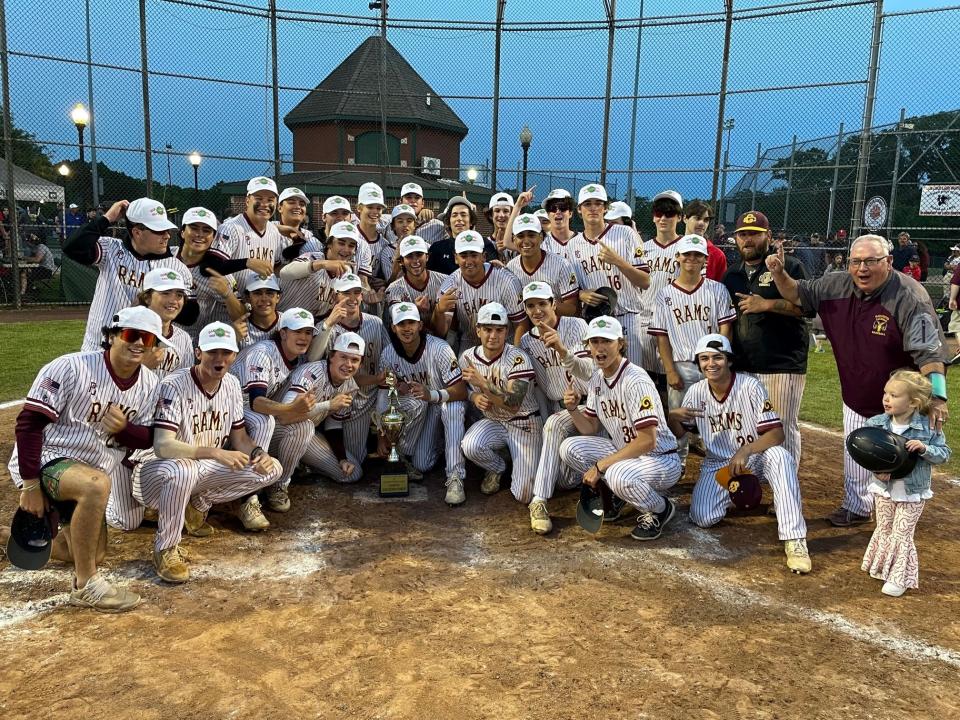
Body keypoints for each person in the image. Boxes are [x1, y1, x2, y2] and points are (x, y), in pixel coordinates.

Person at [765, 234, 949, 527]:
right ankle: (857, 507)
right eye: (856, 261)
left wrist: (938, 397)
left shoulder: (909, 296)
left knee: (901, 460)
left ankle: (900, 515)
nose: (862, 268)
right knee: (858, 452)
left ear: (888, 262)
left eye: (871, 261)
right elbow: (796, 293)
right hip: (856, 390)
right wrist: (778, 272)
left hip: (901, 401)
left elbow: (929, 352)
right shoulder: (835, 285)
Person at [8, 306, 165, 611]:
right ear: (112, 336)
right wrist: (30, 486)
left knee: (89, 552)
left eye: (147, 338)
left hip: (91, 470)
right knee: (96, 485)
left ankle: (9, 538)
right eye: (132, 335)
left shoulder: (149, 384)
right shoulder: (70, 368)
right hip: (47, 460)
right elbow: (29, 424)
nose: (139, 343)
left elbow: (149, 437)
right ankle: (86, 586)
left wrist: (124, 430)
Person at [135, 322, 283, 583]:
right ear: (198, 353)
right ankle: (166, 548)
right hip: (155, 473)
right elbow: (163, 446)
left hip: (198, 469)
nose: (220, 359)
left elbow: (239, 437)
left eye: (226, 352)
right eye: (212, 352)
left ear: (234, 356)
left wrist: (259, 452)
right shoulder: (174, 384)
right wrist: (215, 453)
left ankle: (198, 504)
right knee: (183, 469)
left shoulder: (232, 384)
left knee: (272, 469)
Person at [667, 333, 811, 573]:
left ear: (729, 360)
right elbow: (680, 433)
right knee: (703, 517)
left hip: (754, 459)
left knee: (780, 457)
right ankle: (741, 490)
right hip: (718, 465)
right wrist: (672, 417)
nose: (711, 364)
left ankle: (795, 539)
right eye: (704, 359)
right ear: (698, 363)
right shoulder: (695, 392)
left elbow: (776, 434)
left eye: (717, 357)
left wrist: (746, 450)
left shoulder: (750, 386)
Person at [559, 316, 682, 541]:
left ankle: (660, 509)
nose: (600, 348)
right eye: (594, 342)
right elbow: (590, 428)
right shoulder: (597, 379)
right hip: (628, 456)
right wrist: (572, 409)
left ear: (621, 344)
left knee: (616, 474)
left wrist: (601, 466)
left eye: (606, 341)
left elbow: (648, 441)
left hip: (660, 459)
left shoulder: (635, 380)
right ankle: (615, 500)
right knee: (570, 447)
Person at [722, 210, 811, 464]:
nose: (747, 240)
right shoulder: (732, 275)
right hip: (742, 364)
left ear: (768, 236)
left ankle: (787, 488)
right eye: (742, 235)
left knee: (781, 427)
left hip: (781, 363)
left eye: (754, 234)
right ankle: (754, 483)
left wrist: (767, 304)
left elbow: (806, 309)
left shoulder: (790, 266)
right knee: (748, 427)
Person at [859, 370, 950, 597]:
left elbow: (944, 454)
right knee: (885, 529)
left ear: (913, 402)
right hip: (883, 490)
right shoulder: (876, 424)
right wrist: (876, 470)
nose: (886, 399)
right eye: (885, 393)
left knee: (902, 534)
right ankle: (882, 566)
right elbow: (866, 455)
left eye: (894, 395)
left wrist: (925, 448)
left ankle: (899, 578)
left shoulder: (928, 428)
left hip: (912, 492)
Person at [64, 198, 196, 352]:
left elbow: (189, 317)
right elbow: (71, 247)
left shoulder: (176, 268)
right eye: (159, 231)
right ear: (137, 232)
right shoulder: (111, 249)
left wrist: (155, 305)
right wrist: (106, 219)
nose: (166, 236)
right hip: (99, 348)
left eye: (167, 230)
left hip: (144, 352)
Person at [649, 234, 736, 465]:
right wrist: (670, 370)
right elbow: (662, 336)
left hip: (712, 365)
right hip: (682, 364)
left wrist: (722, 361)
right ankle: (678, 462)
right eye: (687, 254)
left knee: (717, 415)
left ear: (705, 260)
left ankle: (719, 460)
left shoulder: (717, 290)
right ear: (677, 257)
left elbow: (725, 326)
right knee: (680, 418)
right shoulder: (664, 294)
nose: (691, 258)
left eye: (697, 255)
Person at [229, 307, 318, 520]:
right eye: (298, 331)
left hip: (249, 410)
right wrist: (291, 408)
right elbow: (257, 402)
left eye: (308, 332)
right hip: (229, 407)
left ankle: (278, 485)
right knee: (263, 421)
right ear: (284, 332)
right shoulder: (263, 352)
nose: (304, 337)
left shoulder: (298, 358)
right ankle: (248, 499)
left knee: (304, 426)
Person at [518, 281, 592, 534]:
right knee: (563, 479)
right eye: (531, 306)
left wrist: (562, 349)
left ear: (553, 304)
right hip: (556, 406)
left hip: (587, 406)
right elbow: (539, 386)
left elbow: (588, 373)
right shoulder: (527, 342)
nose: (537, 310)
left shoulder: (577, 326)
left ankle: (538, 501)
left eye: (542, 304)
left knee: (554, 425)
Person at [376, 302, 469, 505]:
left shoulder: (440, 348)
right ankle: (410, 451)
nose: (407, 328)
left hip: (444, 402)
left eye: (411, 322)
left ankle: (455, 476)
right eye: (401, 324)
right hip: (421, 408)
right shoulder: (388, 354)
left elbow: (461, 391)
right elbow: (384, 396)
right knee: (422, 464)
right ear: (393, 328)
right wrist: (382, 434)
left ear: (420, 325)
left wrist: (432, 395)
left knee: (451, 408)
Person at [459, 302, 543, 505]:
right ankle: (498, 467)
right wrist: (474, 397)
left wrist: (483, 384)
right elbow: (463, 389)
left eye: (499, 330)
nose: (493, 335)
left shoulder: (518, 358)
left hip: (524, 422)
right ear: (478, 330)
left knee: (524, 495)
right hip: (494, 422)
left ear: (506, 331)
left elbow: (513, 403)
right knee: (470, 446)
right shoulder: (468, 357)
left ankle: (518, 463)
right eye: (487, 329)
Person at [307, 272, 390, 470]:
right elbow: (312, 358)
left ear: (362, 295)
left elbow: (388, 354)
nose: (352, 298)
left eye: (357, 292)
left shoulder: (375, 323)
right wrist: (328, 324)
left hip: (373, 393)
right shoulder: (328, 327)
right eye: (346, 293)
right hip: (346, 399)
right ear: (335, 295)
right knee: (357, 461)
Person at [270, 332, 365, 492]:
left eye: (355, 360)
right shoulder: (311, 372)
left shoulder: (350, 386)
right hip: (273, 432)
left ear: (360, 364)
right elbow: (285, 416)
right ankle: (278, 487)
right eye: (343, 357)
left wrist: (342, 459)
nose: (349, 364)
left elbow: (333, 425)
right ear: (331, 356)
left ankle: (300, 462)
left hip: (303, 435)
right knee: (304, 427)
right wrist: (327, 405)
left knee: (352, 473)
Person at [568, 183, 650, 365]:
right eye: (587, 204)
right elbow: (572, 289)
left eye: (598, 203)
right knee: (601, 380)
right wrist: (581, 294)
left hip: (627, 316)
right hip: (596, 322)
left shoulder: (626, 234)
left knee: (632, 377)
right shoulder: (572, 246)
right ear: (579, 210)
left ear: (605, 208)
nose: (593, 208)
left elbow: (645, 281)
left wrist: (618, 261)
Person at [174, 206, 264, 338]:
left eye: (206, 230)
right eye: (194, 228)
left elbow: (242, 314)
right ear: (182, 232)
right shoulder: (166, 257)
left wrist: (227, 294)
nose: (200, 234)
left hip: (190, 339)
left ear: (213, 238)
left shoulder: (218, 274)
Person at [433, 230, 527, 352]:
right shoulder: (450, 284)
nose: (469, 261)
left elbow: (520, 323)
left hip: (505, 346)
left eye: (474, 255)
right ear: (456, 258)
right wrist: (439, 311)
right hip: (470, 345)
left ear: (483, 257)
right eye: (464, 255)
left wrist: (516, 353)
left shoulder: (506, 280)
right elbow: (441, 332)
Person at [209, 176, 289, 293]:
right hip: (228, 305)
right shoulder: (231, 228)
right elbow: (213, 266)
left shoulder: (274, 231)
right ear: (247, 201)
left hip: (261, 303)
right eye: (259, 199)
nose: (265, 204)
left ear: (276, 204)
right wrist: (247, 262)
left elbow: (275, 266)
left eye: (270, 200)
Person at [637, 190, 684, 379]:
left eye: (670, 213)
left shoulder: (688, 248)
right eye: (659, 213)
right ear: (654, 217)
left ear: (680, 217)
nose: (663, 218)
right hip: (645, 321)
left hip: (674, 323)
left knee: (671, 381)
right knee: (646, 379)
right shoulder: (642, 249)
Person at [505, 211, 579, 317]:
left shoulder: (562, 265)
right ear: (514, 239)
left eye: (531, 235)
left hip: (559, 326)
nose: (526, 241)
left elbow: (572, 309)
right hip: (527, 328)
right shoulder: (511, 268)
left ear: (541, 237)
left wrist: (543, 305)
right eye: (520, 236)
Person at [277, 220, 358, 316]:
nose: (346, 249)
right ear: (329, 244)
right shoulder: (313, 257)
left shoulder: (347, 272)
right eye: (341, 243)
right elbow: (284, 273)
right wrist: (322, 264)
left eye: (351, 246)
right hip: (284, 318)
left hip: (311, 325)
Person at [136, 268, 194, 380]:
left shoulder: (184, 339)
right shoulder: (128, 332)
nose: (173, 301)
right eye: (165, 293)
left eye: (179, 295)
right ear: (147, 297)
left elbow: (185, 383)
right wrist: (142, 366)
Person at [426, 196, 498, 275]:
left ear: (471, 221)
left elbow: (492, 269)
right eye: (454, 215)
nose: (459, 218)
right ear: (449, 222)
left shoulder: (484, 243)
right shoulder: (437, 248)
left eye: (463, 215)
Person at [683, 200, 727, 281]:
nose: (701, 223)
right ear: (685, 218)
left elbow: (721, 288)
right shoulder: (673, 248)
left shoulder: (717, 255)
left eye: (706, 220)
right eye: (697, 218)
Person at [234, 275, 282, 349]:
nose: (264, 298)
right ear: (248, 298)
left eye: (269, 293)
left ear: (278, 297)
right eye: (257, 293)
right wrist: (233, 340)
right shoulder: (237, 328)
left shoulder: (288, 322)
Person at [396, 181, 446, 245]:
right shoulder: (390, 225)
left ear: (422, 203)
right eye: (408, 197)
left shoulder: (438, 226)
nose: (413, 201)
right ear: (400, 202)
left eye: (417, 197)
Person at [540, 188, 576, 263]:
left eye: (562, 207)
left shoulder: (583, 239)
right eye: (552, 208)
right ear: (548, 215)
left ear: (570, 213)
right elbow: (508, 243)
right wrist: (518, 206)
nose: (558, 212)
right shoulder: (540, 241)